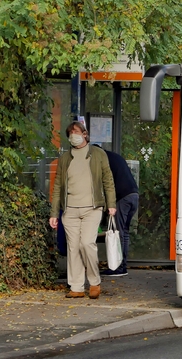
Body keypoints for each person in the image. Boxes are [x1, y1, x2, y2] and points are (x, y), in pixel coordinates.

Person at [49, 121, 116, 299]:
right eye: (70, 133)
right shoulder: (64, 158)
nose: (73, 136)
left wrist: (111, 204)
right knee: (73, 247)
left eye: (76, 132)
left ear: (85, 134)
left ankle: (94, 282)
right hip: (70, 210)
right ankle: (76, 287)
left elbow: (108, 180)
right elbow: (57, 187)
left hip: (92, 209)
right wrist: (54, 213)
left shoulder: (98, 154)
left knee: (87, 244)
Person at [101, 148, 138, 277]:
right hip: (133, 195)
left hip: (122, 197)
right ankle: (122, 265)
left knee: (119, 232)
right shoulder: (115, 157)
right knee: (124, 232)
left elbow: (106, 183)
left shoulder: (103, 159)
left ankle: (118, 267)